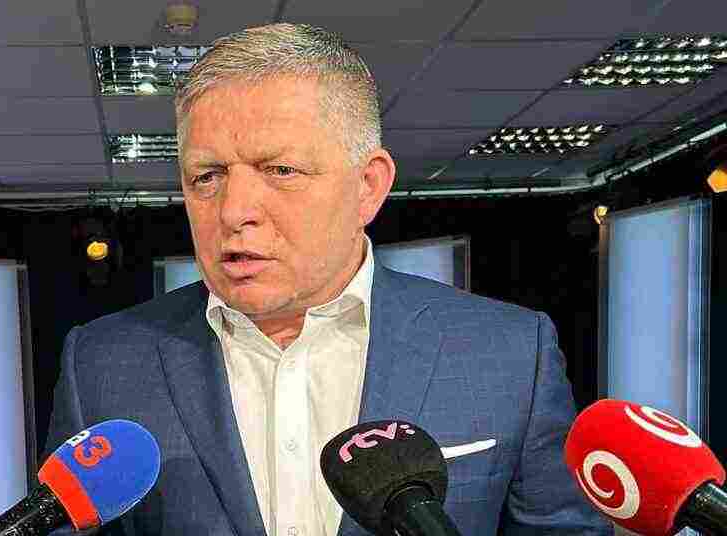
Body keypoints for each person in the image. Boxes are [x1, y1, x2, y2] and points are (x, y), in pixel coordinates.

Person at [45, 23, 611, 536]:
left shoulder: (510, 353)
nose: (233, 210)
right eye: (207, 176)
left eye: (280, 170)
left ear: (368, 186)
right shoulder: (100, 364)